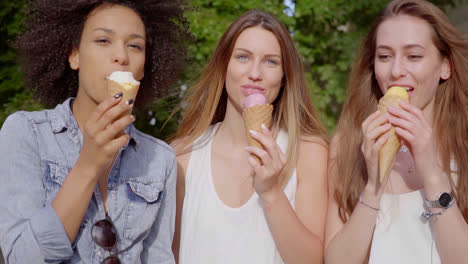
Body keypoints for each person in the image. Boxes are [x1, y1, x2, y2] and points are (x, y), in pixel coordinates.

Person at [0, 0, 190, 263]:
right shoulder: (25, 133)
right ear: (74, 55)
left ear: (143, 68)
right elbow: (23, 258)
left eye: (135, 45)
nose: (121, 56)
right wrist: (88, 164)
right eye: (103, 40)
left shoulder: (161, 159)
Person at [171, 9, 329, 264]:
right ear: (224, 66)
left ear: (284, 76)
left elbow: (313, 260)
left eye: (270, 61)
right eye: (243, 57)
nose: (255, 73)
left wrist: (272, 192)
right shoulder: (182, 156)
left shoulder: (309, 152)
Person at [325, 0, 468, 263]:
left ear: (446, 66)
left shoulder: (464, 143)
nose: (396, 71)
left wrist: (433, 174)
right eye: (384, 56)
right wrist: (374, 184)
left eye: (414, 56)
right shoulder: (347, 144)